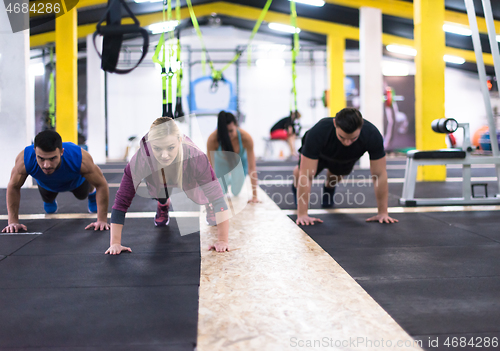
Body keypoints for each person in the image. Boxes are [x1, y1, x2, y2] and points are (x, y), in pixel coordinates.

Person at [106, 117, 230, 255]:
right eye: (157, 148)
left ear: (180, 141)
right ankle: (163, 203)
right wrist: (115, 243)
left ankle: (208, 205)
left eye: (171, 147)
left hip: (187, 175)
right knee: (159, 190)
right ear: (149, 144)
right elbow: (122, 200)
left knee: (203, 195)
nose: (164, 155)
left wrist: (223, 240)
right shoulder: (140, 160)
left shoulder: (196, 157)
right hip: (158, 177)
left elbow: (218, 198)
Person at [292, 107, 398, 225]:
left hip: (346, 157)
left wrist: (383, 213)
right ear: (335, 124)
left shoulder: (372, 134)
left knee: (335, 177)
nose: (347, 143)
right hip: (320, 153)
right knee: (300, 174)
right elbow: (306, 176)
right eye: (342, 137)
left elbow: (379, 175)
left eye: (353, 139)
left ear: (361, 127)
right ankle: (295, 189)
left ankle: (328, 190)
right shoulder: (318, 132)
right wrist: (302, 214)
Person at [2, 130, 110, 233]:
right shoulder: (25, 159)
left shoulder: (79, 157)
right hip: (46, 184)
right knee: (49, 209)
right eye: (41, 159)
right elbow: (13, 186)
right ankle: (49, 200)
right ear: (35, 152)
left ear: (61, 152)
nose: (46, 165)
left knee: (83, 193)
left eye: (52, 158)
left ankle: (91, 194)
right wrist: (13, 222)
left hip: (76, 182)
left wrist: (102, 220)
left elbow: (101, 184)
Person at [206, 111, 260, 203]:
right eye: (225, 133)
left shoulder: (246, 138)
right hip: (221, 163)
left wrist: (255, 196)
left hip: (239, 163)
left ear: (236, 126)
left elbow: (252, 168)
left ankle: (230, 180)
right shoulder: (213, 139)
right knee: (221, 192)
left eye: (231, 131)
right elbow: (210, 169)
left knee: (236, 192)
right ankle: (226, 181)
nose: (228, 136)